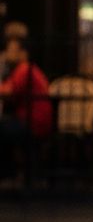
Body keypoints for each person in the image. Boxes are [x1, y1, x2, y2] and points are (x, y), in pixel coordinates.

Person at [0, 37, 53, 168]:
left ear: (23, 53)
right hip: (33, 120)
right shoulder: (26, 69)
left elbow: (8, 91)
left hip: (33, 122)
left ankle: (8, 172)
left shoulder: (24, 69)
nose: (7, 53)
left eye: (11, 50)